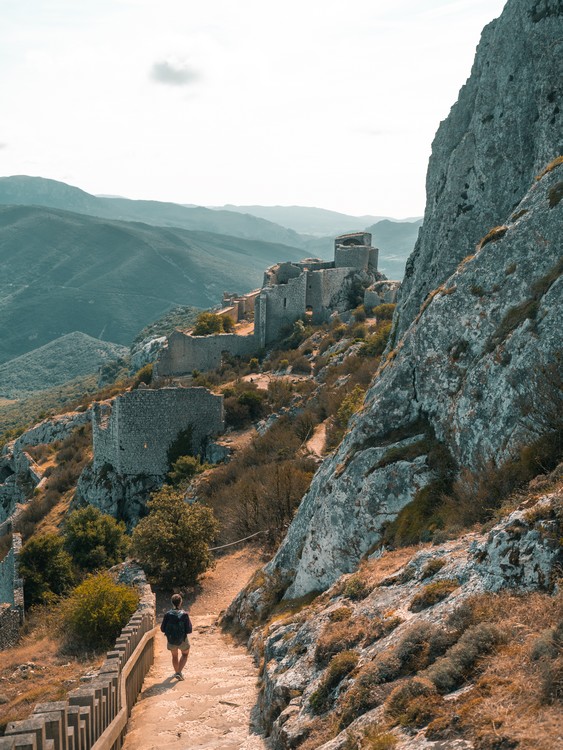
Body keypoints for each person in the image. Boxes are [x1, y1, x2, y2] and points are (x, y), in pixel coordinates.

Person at [160, 593, 192, 680]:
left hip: (171, 640)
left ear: (172, 602)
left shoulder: (167, 614)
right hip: (183, 640)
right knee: (185, 654)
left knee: (174, 656)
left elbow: (162, 629)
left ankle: (177, 672)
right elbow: (189, 630)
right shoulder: (184, 615)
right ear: (180, 602)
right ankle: (178, 672)